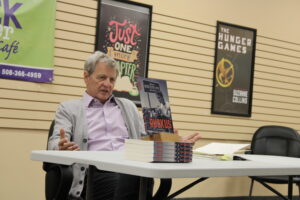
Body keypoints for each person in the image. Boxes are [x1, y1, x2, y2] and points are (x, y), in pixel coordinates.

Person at [48, 51, 201, 200]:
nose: (107, 84)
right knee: (131, 180)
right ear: (86, 77)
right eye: (102, 77)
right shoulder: (68, 108)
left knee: (140, 177)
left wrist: (170, 141)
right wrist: (61, 147)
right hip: (96, 173)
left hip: (131, 168)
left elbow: (145, 140)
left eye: (112, 79)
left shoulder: (128, 107)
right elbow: (54, 142)